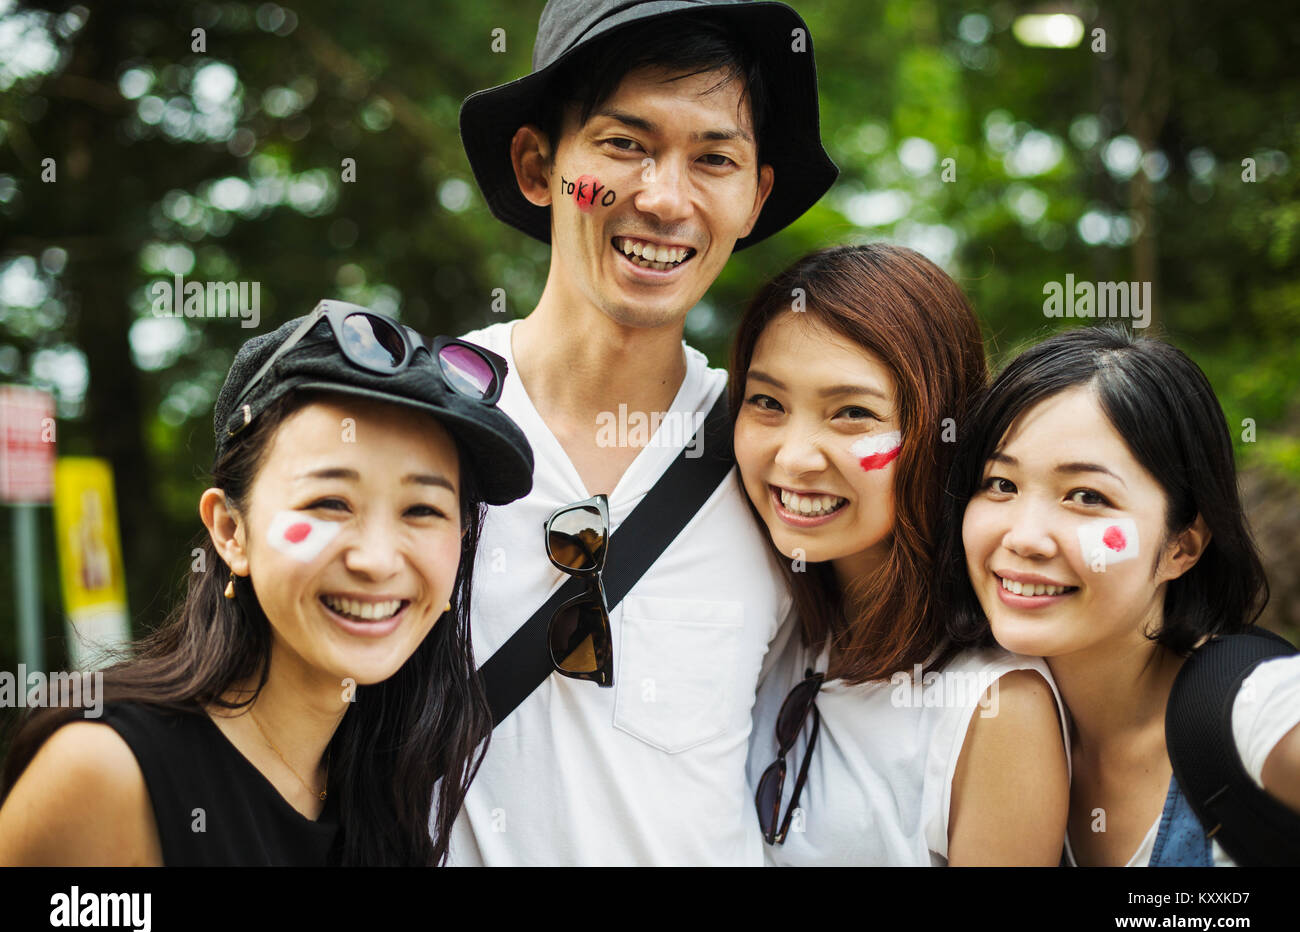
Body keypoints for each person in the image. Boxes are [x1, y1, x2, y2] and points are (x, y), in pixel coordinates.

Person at [448, 0, 837, 864]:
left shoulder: (779, 462)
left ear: (754, 196)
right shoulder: (421, 423)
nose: (665, 199)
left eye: (715, 159)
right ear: (538, 163)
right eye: (625, 145)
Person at [0, 299, 534, 866]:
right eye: (331, 502)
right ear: (231, 531)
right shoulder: (109, 771)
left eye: (422, 510)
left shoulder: (392, 789)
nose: (377, 561)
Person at [734, 244, 1070, 864]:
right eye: (768, 403)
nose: (795, 457)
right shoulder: (771, 630)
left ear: (944, 431)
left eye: (853, 413)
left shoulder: (997, 710)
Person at [941, 324, 1300, 866]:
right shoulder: (966, 717)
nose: (1024, 538)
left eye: (1086, 496)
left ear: (1181, 547)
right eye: (1001, 485)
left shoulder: (1253, 710)